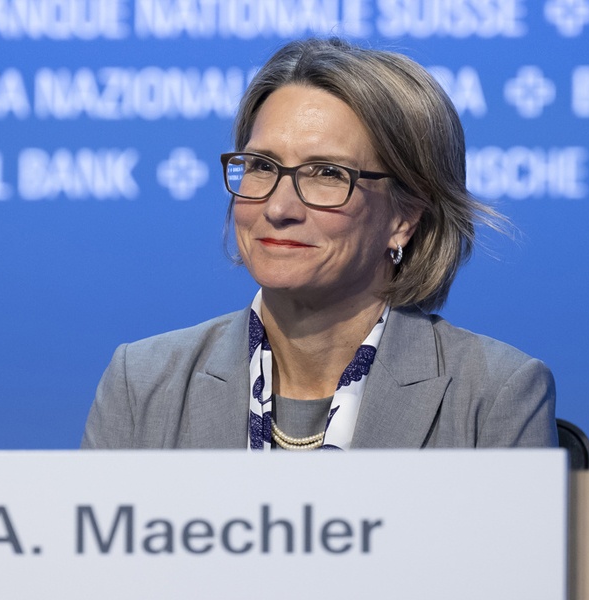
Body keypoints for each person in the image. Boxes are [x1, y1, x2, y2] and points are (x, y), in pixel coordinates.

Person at [81, 37, 556, 451]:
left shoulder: (494, 394)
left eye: (327, 173)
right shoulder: (141, 384)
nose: (278, 207)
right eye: (262, 166)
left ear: (405, 217)